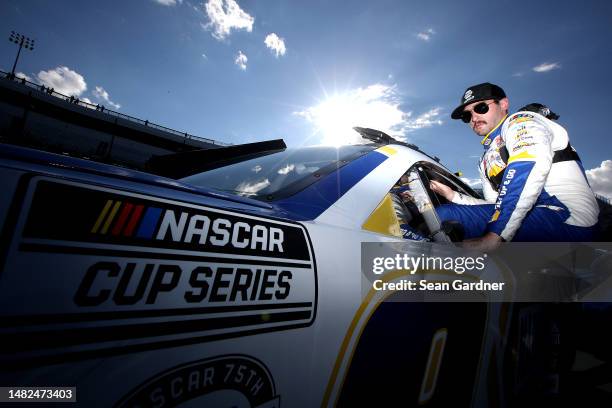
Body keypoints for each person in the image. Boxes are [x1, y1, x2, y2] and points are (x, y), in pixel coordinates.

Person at [432, 82, 599, 251]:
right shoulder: (485, 161)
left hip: (570, 218)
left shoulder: (522, 121)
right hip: (533, 215)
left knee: (444, 221)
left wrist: (497, 234)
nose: (474, 118)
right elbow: (495, 206)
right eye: (467, 116)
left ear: (503, 104)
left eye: (481, 108)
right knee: (442, 216)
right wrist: (454, 196)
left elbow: (526, 167)